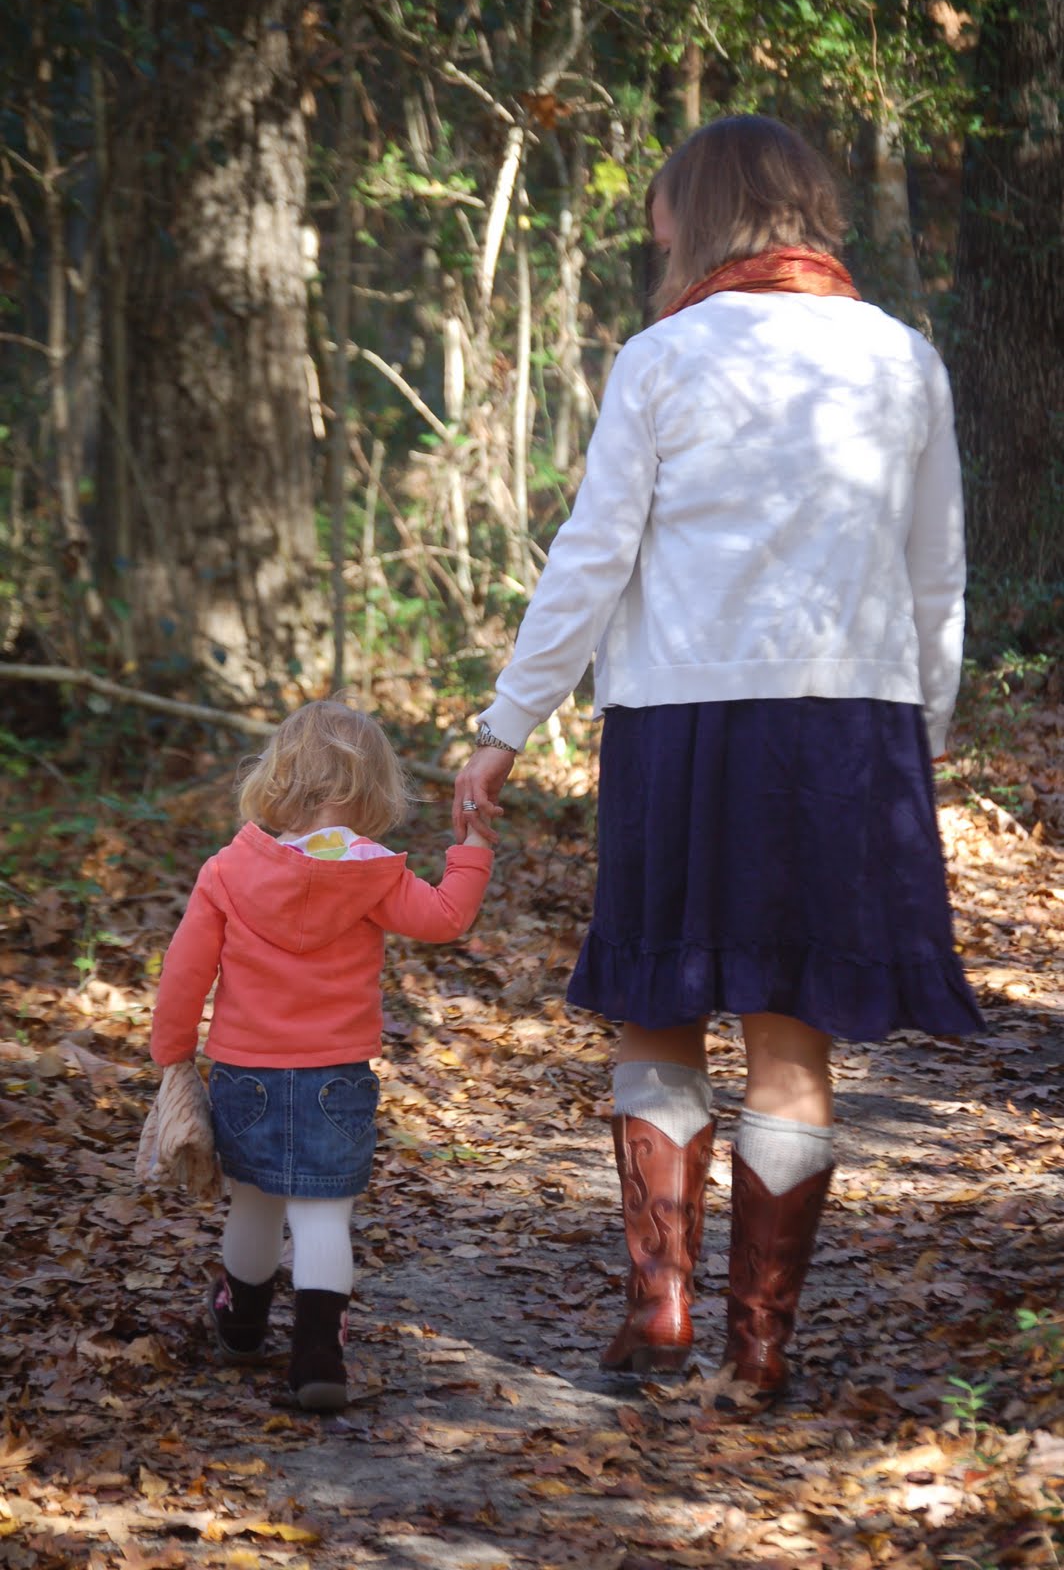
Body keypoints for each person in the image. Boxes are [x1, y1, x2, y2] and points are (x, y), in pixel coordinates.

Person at [453, 114, 984, 1412]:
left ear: (702, 218)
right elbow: (936, 572)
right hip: (846, 728)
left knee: (659, 1010)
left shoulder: (662, 357)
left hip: (681, 721)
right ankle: (759, 1346)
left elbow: (594, 554)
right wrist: (918, 736)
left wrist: (507, 723)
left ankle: (661, 1303)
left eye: (665, 224)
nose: (660, 246)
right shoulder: (902, 356)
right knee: (791, 1042)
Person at [150, 697, 493, 1410]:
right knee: (323, 1216)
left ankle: (242, 1326)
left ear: (279, 777)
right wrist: (472, 849)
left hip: (246, 1075)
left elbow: (185, 972)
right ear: (372, 790)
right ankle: (317, 1359)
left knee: (254, 1205)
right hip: (335, 1078)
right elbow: (446, 916)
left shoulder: (229, 869)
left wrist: (172, 1053)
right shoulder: (370, 872)